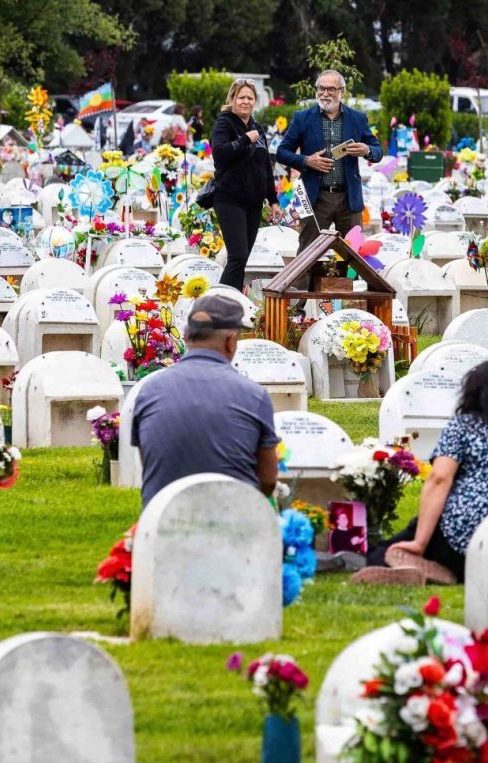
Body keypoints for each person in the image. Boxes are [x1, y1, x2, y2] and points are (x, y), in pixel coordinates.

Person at [354, 361, 488, 586]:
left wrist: (419, 543)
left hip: (465, 541)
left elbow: (440, 479)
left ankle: (425, 565)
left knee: (382, 553)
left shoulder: (464, 427)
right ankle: (445, 570)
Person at [130, 294, 279, 507]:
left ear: (186, 337)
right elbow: (268, 479)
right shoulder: (254, 395)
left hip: (162, 519)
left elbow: (151, 464)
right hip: (233, 518)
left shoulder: (148, 391)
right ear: (231, 341)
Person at [276, 69, 384, 253]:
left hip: (348, 198)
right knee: (308, 254)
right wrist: (307, 160)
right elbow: (281, 153)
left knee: (352, 254)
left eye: (331, 89)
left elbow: (378, 151)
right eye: (321, 88)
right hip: (315, 198)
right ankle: (306, 275)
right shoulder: (302, 118)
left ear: (342, 91)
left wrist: (366, 150)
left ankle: (347, 275)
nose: (325, 93)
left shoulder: (357, 118)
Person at [211, 82, 273, 291]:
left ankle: (234, 301)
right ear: (232, 100)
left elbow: (266, 167)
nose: (246, 102)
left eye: (250, 98)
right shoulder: (224, 124)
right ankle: (220, 302)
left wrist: (273, 200)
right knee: (237, 256)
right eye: (241, 97)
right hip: (230, 198)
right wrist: (245, 140)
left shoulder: (258, 128)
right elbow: (219, 153)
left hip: (253, 202)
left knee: (243, 258)